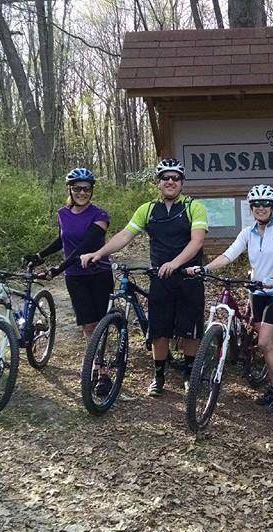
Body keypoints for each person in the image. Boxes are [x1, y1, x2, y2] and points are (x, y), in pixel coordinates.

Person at [80, 158, 208, 396]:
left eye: (175, 178)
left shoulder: (193, 207)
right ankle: (158, 376)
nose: (170, 182)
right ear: (158, 182)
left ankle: (189, 375)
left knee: (190, 329)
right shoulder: (147, 209)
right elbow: (125, 235)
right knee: (158, 329)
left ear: (182, 183)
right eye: (165, 178)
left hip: (189, 277)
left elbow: (197, 241)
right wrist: (99, 253)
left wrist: (176, 263)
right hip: (160, 278)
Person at [188, 184, 273, 414]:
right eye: (256, 204)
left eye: (266, 204)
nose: (261, 208)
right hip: (256, 292)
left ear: (272, 206)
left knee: (265, 342)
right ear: (251, 208)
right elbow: (229, 254)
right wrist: (204, 268)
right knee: (264, 344)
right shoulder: (248, 232)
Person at [23, 168, 112, 342]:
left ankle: (104, 357)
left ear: (92, 191)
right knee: (87, 324)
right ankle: (94, 362)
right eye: (77, 188)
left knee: (102, 322)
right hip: (75, 276)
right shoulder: (62, 213)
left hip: (99, 273)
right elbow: (62, 239)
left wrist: (58, 268)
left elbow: (84, 246)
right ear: (70, 189)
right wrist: (39, 255)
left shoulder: (100, 215)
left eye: (87, 189)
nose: (82, 192)